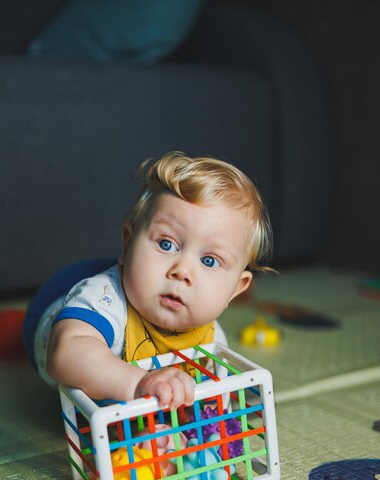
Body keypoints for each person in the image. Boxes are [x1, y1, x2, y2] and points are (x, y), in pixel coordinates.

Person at [27, 151, 272, 410]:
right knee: (64, 311)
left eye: (209, 261)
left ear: (235, 289)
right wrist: (139, 385)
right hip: (49, 309)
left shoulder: (213, 340)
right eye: (166, 244)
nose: (182, 271)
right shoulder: (104, 299)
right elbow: (65, 354)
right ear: (127, 241)